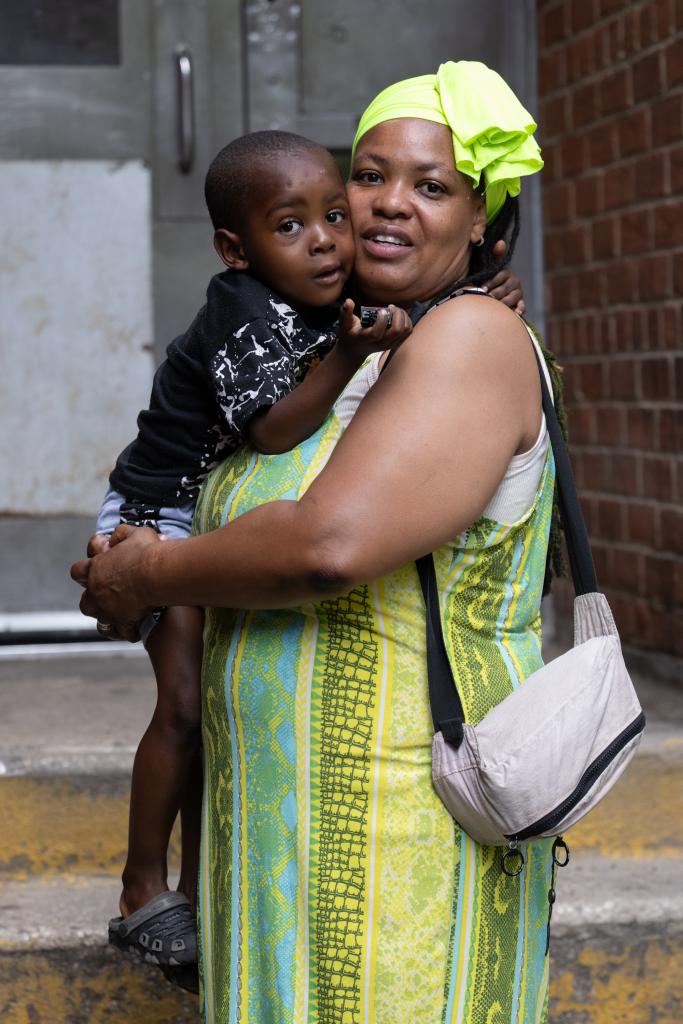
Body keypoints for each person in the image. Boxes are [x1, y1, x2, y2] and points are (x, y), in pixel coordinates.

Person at [74, 60, 560, 1023]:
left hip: (397, 825)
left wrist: (148, 572)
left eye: (430, 186)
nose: (381, 207)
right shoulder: (345, 331)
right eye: (368, 176)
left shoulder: (467, 339)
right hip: (279, 828)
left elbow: (324, 546)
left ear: (482, 223)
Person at [93, 130, 414, 975]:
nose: (325, 240)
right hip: (155, 517)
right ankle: (141, 894)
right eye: (290, 225)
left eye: (335, 216)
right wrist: (349, 352)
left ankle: (204, 894)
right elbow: (274, 429)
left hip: (206, 515)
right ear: (237, 249)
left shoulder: (319, 287)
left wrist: (493, 283)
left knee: (222, 714)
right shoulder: (240, 306)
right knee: (188, 704)